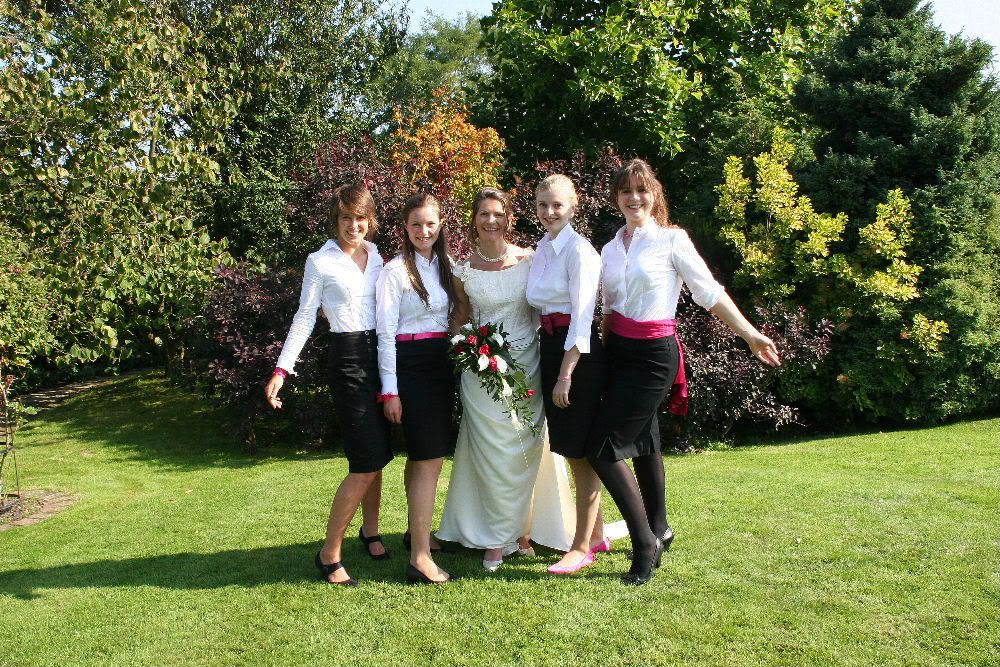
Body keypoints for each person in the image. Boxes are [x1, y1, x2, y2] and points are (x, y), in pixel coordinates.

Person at [588, 159, 781, 585]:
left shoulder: (672, 240)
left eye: (642, 190)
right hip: (618, 352)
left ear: (654, 194)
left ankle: (644, 543)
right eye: (626, 191)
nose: (634, 198)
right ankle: (660, 528)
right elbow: (608, 309)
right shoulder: (610, 248)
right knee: (644, 440)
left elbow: (709, 292)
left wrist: (750, 334)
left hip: (654, 356)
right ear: (616, 198)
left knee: (603, 446)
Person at [436, 187, 575, 571]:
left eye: (498, 213)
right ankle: (497, 538)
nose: (491, 220)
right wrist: (464, 346)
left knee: (524, 450)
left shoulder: (530, 260)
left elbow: (546, 306)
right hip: (480, 373)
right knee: (492, 454)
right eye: (484, 214)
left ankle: (523, 530)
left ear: (509, 218)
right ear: (474, 219)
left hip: (526, 365)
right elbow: (460, 317)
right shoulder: (463, 270)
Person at [264, 183, 392, 587]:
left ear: (370, 220)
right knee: (365, 459)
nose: (353, 226)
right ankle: (329, 553)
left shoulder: (377, 256)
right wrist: (282, 370)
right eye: (345, 218)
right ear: (335, 220)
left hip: (381, 356)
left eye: (360, 218)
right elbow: (305, 317)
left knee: (379, 454)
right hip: (347, 359)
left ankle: (371, 531)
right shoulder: (319, 262)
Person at [525, 175, 611, 575]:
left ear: (574, 206)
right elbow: (536, 307)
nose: (549, 212)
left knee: (580, 452)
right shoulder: (542, 248)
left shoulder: (580, 252)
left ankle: (581, 547)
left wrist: (565, 375)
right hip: (548, 347)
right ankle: (597, 534)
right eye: (543, 205)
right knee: (571, 447)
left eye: (557, 204)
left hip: (576, 356)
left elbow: (582, 319)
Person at [375, 193, 460, 584]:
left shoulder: (446, 266)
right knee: (429, 460)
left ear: (440, 225)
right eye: (415, 224)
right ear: (405, 228)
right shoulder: (394, 272)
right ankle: (420, 558)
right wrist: (390, 391)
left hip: (441, 363)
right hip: (410, 367)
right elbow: (385, 334)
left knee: (424, 458)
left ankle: (416, 534)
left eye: (430, 224)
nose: (423, 231)